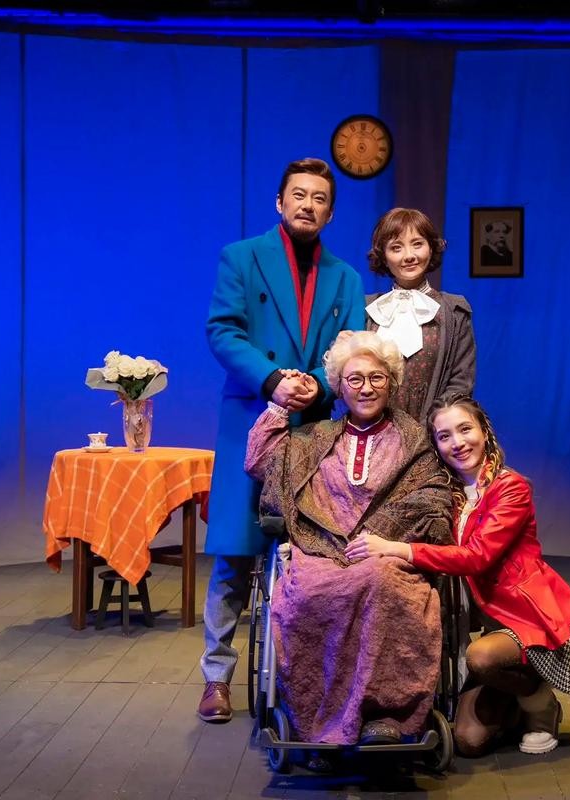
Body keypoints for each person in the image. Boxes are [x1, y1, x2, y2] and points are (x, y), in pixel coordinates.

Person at [345, 395, 570, 756]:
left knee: (481, 658)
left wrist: (397, 548)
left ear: (485, 432)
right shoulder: (446, 493)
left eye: (465, 429)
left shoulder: (511, 487)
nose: (458, 442)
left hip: (526, 616)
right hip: (487, 620)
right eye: (444, 436)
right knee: (468, 742)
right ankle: (511, 705)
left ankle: (541, 704)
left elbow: (477, 557)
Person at [200, 158, 365, 723]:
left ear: (330, 212)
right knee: (235, 552)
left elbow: (349, 347)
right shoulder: (241, 257)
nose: (307, 205)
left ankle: (299, 679)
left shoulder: (345, 277)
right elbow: (223, 330)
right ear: (279, 201)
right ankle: (216, 677)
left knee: (307, 557)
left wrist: (318, 382)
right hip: (252, 416)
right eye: (299, 194)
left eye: (319, 198)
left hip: (313, 427)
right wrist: (271, 379)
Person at [244, 330, 452, 745]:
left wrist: (383, 538)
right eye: (354, 379)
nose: (366, 388)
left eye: (376, 377)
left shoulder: (415, 441)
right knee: (307, 593)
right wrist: (280, 405)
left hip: (386, 555)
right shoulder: (313, 439)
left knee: (381, 581)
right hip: (320, 552)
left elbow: (432, 499)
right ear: (339, 386)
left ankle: (384, 716)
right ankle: (318, 722)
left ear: (392, 383)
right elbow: (260, 461)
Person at [365, 208, 476, 424]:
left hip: (433, 432)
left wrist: (431, 429)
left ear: (431, 248)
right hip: (374, 430)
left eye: (417, 244)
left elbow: (461, 382)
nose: (409, 256)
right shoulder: (368, 310)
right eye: (396, 247)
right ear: (383, 256)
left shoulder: (454, 312)